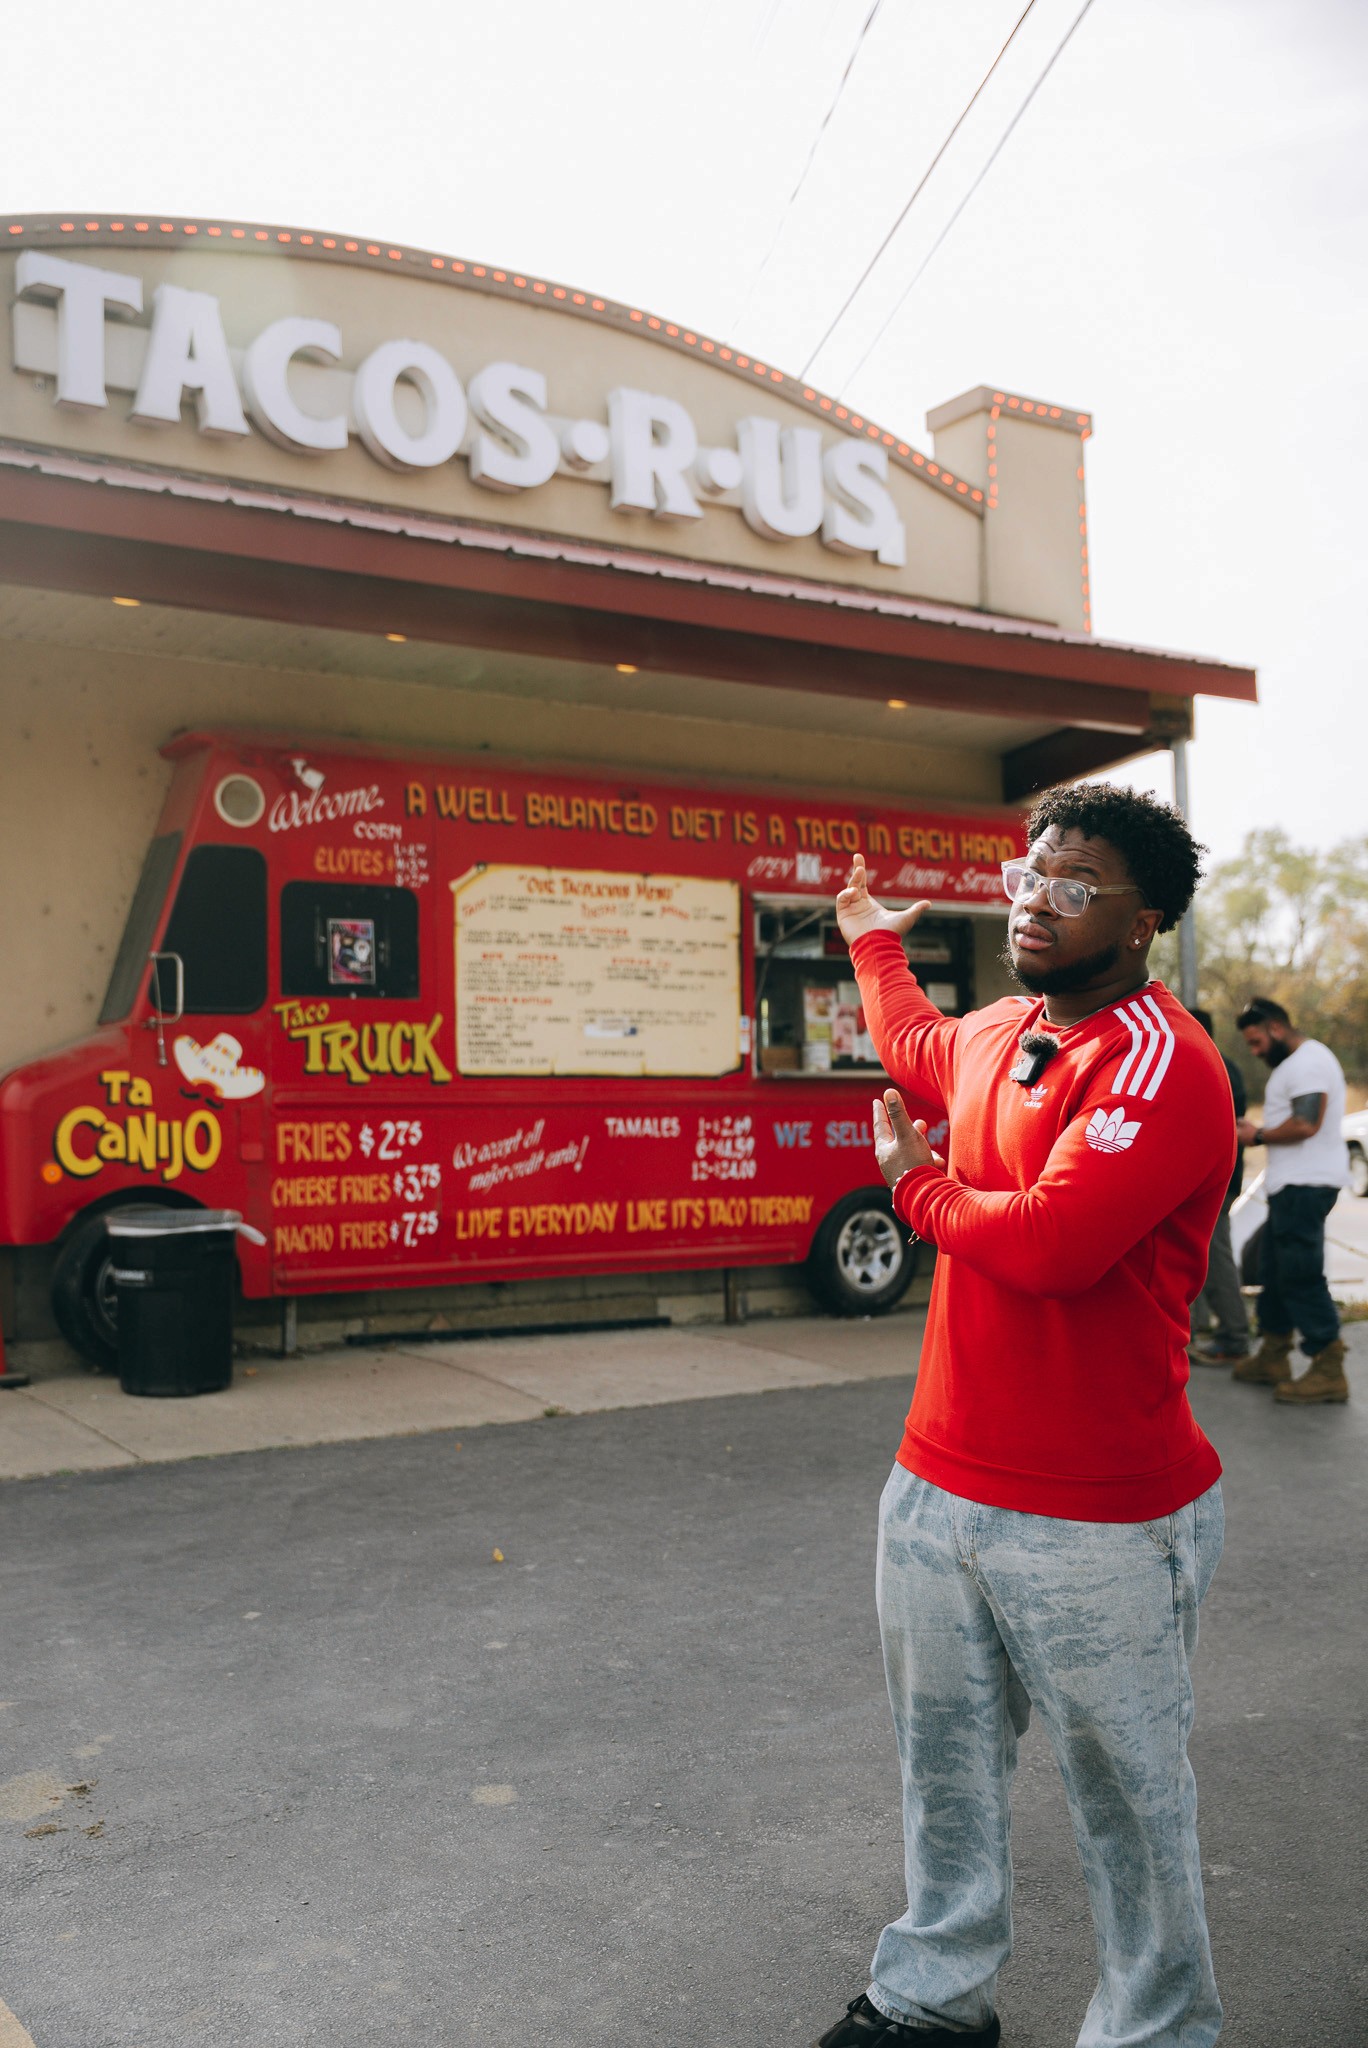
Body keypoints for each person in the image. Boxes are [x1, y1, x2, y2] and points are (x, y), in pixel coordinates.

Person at [817, 783, 1232, 2048]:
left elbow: (1051, 1244)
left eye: (1071, 886)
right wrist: (867, 934)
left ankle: (1153, 2026)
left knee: (1127, 1799)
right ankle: (932, 1998)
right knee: (942, 1767)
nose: (1033, 904)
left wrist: (912, 1182)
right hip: (936, 1488)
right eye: (1024, 875)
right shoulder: (1001, 1029)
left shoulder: (1162, 1062)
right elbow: (910, 1038)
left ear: (1145, 919)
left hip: (1097, 1516)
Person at [1232, 997, 1350, 1403]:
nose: (1256, 1051)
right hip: (1293, 1185)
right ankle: (1273, 1354)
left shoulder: (1309, 1061)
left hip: (1307, 1185)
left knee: (1299, 1274)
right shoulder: (1295, 1064)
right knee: (1275, 1269)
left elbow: (1306, 1122)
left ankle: (1328, 1365)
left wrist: (1257, 1135)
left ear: (1276, 1028)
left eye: (1256, 1042)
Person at [1187, 1007, 1251, 1364]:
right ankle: (1195, 1332)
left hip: (1213, 1181)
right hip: (1214, 1178)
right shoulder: (1222, 1064)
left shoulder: (1209, 1063)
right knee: (1196, 1254)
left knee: (1215, 1256)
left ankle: (1234, 1336)